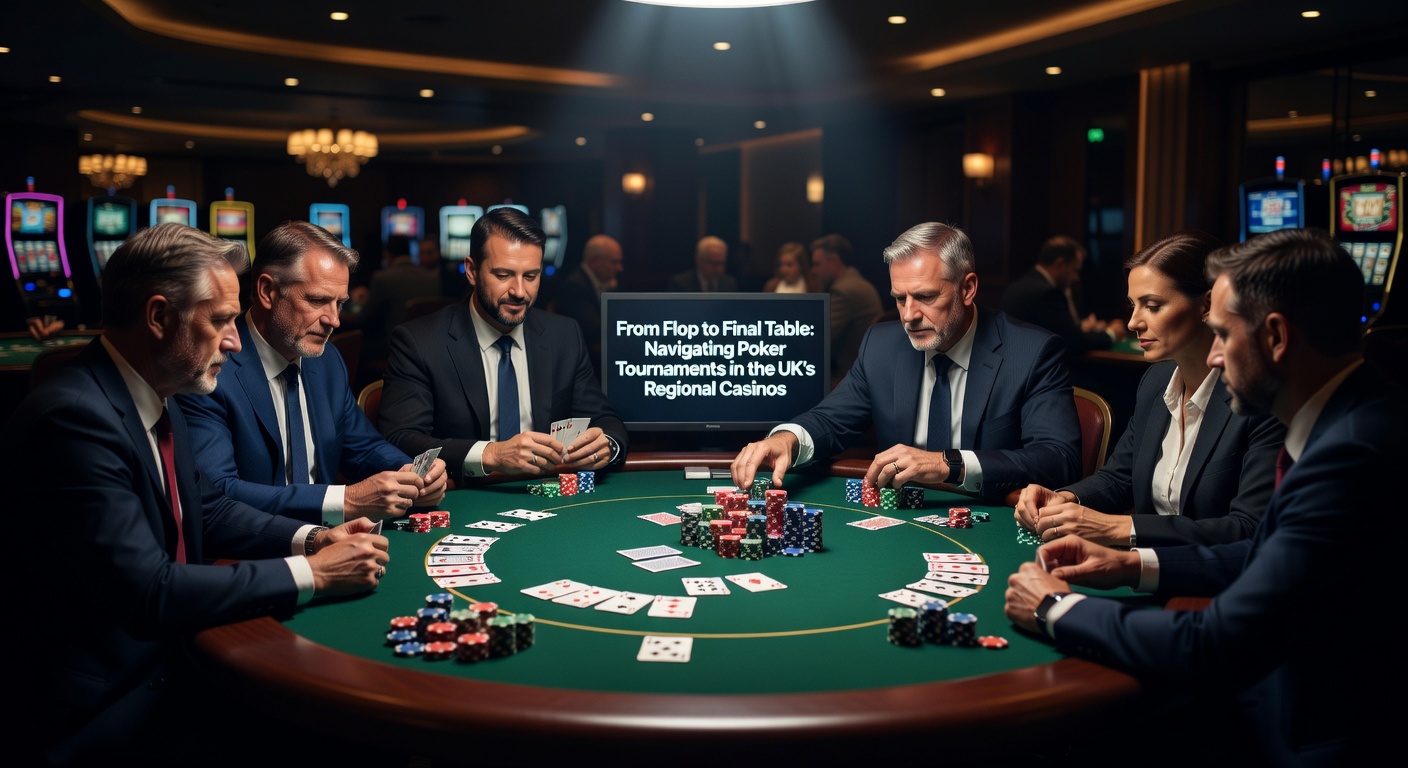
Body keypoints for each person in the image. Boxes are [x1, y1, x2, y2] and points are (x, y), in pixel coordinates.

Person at [1004, 228, 1402, 765]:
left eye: (1221, 334)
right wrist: (1130, 565)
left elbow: (1214, 644)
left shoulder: (1349, 456)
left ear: (1276, 338)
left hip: (1311, 732)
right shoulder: (1354, 416)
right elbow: (1262, 550)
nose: (1213, 357)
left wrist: (1056, 607)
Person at [5, 223, 390, 765]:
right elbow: (151, 593)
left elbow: (208, 509)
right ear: (159, 318)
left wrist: (314, 538)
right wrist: (315, 574)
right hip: (109, 704)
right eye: (220, 321)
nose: (235, 342)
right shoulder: (74, 418)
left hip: (177, 658)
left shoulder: (160, 394)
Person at [733, 222, 1080, 500]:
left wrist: (949, 464)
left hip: (991, 515)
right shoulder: (881, 345)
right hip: (901, 518)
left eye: (926, 296)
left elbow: (1058, 458)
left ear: (968, 288)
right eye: (900, 298)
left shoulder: (1032, 351)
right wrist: (787, 440)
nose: (909, 315)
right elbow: (832, 419)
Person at [1014, 232, 1284, 547]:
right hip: (1140, 566)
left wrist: (1117, 528)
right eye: (1133, 305)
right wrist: (1064, 499)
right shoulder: (1156, 380)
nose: (1133, 322)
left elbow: (1247, 528)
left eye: (1152, 306)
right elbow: (1119, 478)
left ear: (1207, 305)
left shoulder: (1256, 397)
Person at [177, 221, 447, 526]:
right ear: (267, 291)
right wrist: (343, 500)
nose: (334, 320)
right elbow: (218, 492)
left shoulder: (327, 360)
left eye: (340, 304)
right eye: (317, 300)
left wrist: (410, 473)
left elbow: (363, 447)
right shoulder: (210, 369)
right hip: (257, 551)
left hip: (335, 539)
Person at [379, 207, 628, 486]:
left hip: (549, 497)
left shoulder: (564, 335)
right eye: (503, 275)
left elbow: (607, 419)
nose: (519, 291)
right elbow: (400, 438)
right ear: (472, 271)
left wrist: (607, 443)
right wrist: (491, 454)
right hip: (463, 495)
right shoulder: (419, 341)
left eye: (531, 276)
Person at [1000, 235, 1126, 356]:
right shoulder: (1046, 293)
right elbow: (1074, 343)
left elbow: (1059, 329)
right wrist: (1111, 334)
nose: (1076, 278)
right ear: (1060, 264)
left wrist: (1081, 328)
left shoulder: (1021, 285)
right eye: (1075, 270)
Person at [808, 233, 883, 381]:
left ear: (834, 261)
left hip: (843, 376)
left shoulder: (843, 291)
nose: (813, 271)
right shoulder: (856, 282)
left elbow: (818, 338)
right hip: (866, 371)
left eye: (817, 264)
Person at [552, 233, 623, 369]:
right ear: (595, 261)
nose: (619, 268)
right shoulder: (574, 286)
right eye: (614, 262)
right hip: (582, 365)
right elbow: (596, 331)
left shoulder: (603, 282)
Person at [667, 236, 737, 293]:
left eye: (721, 263)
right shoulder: (680, 284)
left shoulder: (729, 284)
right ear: (698, 261)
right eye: (713, 263)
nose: (718, 269)